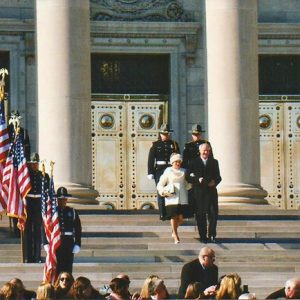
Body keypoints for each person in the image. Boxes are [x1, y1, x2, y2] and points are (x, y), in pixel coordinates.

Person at [186, 143, 221, 243]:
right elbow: (188, 177)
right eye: (204, 150)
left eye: (207, 150)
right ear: (200, 151)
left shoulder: (214, 162)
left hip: (211, 192)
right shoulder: (193, 162)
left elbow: (218, 177)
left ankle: (212, 235)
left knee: (213, 214)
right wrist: (198, 180)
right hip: (199, 193)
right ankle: (203, 236)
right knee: (200, 215)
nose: (206, 152)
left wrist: (214, 182)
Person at [43, 186, 81, 276]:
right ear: (56, 199)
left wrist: (78, 243)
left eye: (64, 198)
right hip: (56, 241)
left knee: (68, 266)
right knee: (57, 266)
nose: (62, 201)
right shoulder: (52, 212)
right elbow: (45, 227)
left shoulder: (72, 211)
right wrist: (45, 242)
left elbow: (78, 229)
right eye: (60, 199)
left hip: (68, 241)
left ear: (66, 199)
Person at [147, 123, 180, 220]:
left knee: (171, 191)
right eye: (163, 134)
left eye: (167, 134)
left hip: (170, 170)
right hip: (159, 170)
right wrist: (150, 172)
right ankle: (162, 213)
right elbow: (151, 159)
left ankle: (170, 212)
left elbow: (177, 157)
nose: (165, 135)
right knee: (161, 192)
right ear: (160, 134)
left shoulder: (174, 144)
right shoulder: (155, 145)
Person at [157, 153, 191, 244]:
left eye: (179, 161)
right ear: (172, 162)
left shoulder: (184, 171)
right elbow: (160, 184)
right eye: (176, 161)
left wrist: (191, 184)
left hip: (182, 197)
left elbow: (187, 184)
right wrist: (163, 192)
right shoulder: (168, 171)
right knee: (173, 216)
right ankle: (176, 235)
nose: (177, 163)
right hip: (172, 197)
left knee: (181, 218)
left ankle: (173, 230)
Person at [7, 110, 31, 237]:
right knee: (11, 198)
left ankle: (20, 227)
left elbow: (27, 150)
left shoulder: (23, 132)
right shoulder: (6, 132)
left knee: (19, 199)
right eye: (14, 118)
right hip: (10, 170)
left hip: (21, 170)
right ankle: (12, 226)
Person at [24, 152, 50, 263]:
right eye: (32, 163)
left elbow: (48, 191)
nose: (34, 165)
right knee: (28, 231)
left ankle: (37, 256)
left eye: (35, 163)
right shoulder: (25, 176)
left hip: (39, 203)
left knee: (38, 231)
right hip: (28, 203)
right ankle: (28, 256)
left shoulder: (43, 175)